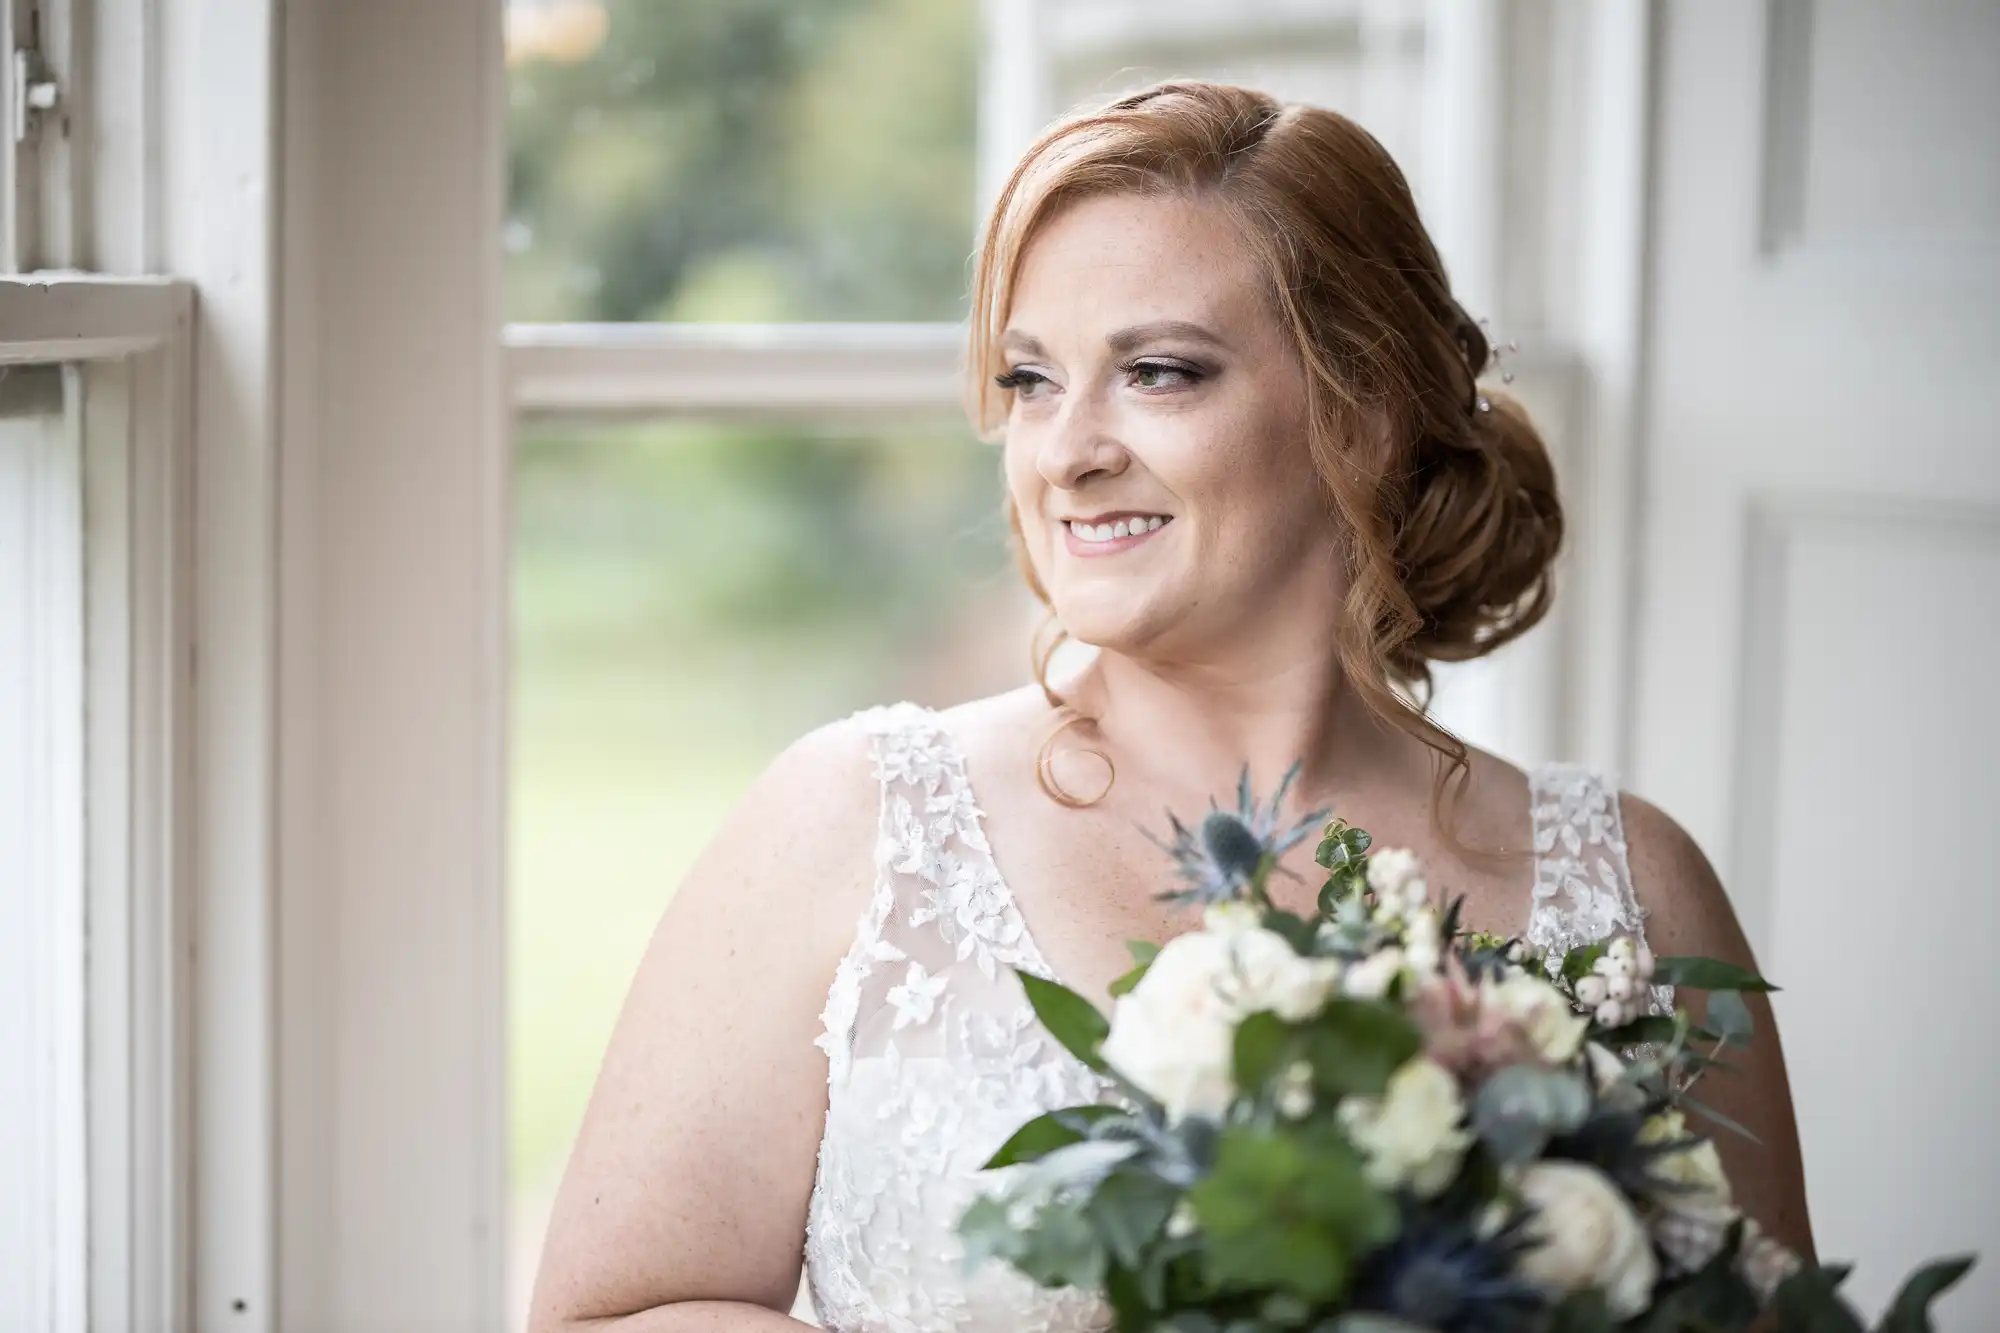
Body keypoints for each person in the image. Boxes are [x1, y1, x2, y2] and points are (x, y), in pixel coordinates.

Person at [528, 81, 1813, 1332]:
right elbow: (605, 1315)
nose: (1064, 451)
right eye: (1031, 380)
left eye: (1156, 372)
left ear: (1359, 412)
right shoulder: (852, 825)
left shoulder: (1629, 889)